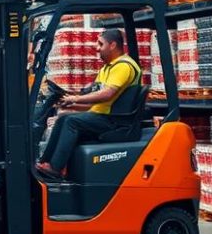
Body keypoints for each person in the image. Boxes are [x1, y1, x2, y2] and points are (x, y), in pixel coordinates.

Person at [36, 28, 143, 180]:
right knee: (63, 119)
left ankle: (55, 168)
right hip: (104, 116)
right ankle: (45, 162)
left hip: (116, 122)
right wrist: (70, 106)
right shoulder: (107, 68)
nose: (97, 48)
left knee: (71, 122)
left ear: (112, 45)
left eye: (100, 44)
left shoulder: (123, 66)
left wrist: (75, 99)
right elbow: (96, 102)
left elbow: (107, 94)